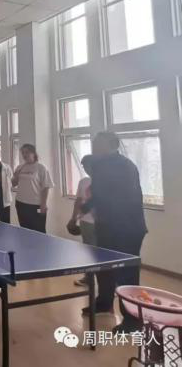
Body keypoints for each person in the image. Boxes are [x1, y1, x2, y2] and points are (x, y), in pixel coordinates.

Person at [82, 132, 147, 334]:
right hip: (107, 227)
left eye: (97, 143)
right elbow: (99, 193)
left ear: (112, 144)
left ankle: (133, 319)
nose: (93, 146)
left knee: (126, 274)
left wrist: (95, 207)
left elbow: (122, 197)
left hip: (126, 228)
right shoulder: (100, 166)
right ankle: (104, 302)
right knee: (104, 268)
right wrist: (87, 206)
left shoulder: (124, 166)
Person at [12, 144, 53, 233]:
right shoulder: (20, 167)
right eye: (23, 153)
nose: (24, 155)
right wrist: (16, 176)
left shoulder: (41, 167)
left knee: (39, 230)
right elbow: (13, 184)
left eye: (27, 152)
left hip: (35, 204)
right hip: (20, 203)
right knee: (24, 229)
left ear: (33, 153)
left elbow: (46, 187)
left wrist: (43, 204)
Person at [69, 155, 96, 287]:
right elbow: (78, 201)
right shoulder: (83, 181)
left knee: (104, 253)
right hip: (86, 222)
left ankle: (110, 283)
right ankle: (88, 278)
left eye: (88, 165)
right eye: (84, 166)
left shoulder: (105, 181)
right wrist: (73, 218)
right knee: (88, 252)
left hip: (103, 223)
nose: (86, 168)